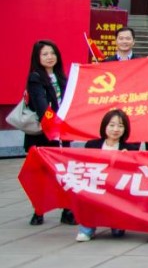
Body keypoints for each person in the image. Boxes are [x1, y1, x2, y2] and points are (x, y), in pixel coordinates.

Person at [25, 40, 74, 226]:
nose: (49, 57)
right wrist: (53, 124)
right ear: (37, 57)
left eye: (52, 53)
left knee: (63, 173)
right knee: (41, 175)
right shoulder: (35, 77)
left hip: (62, 134)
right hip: (42, 135)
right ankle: (39, 210)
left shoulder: (62, 77)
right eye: (45, 54)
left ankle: (67, 210)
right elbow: (41, 105)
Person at [75, 109, 136, 241]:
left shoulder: (130, 149)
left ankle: (116, 223)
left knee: (118, 234)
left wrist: (128, 159)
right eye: (112, 125)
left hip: (117, 189)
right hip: (95, 186)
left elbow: (134, 174)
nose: (116, 129)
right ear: (105, 126)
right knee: (87, 196)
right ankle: (87, 229)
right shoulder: (92, 145)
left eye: (120, 126)